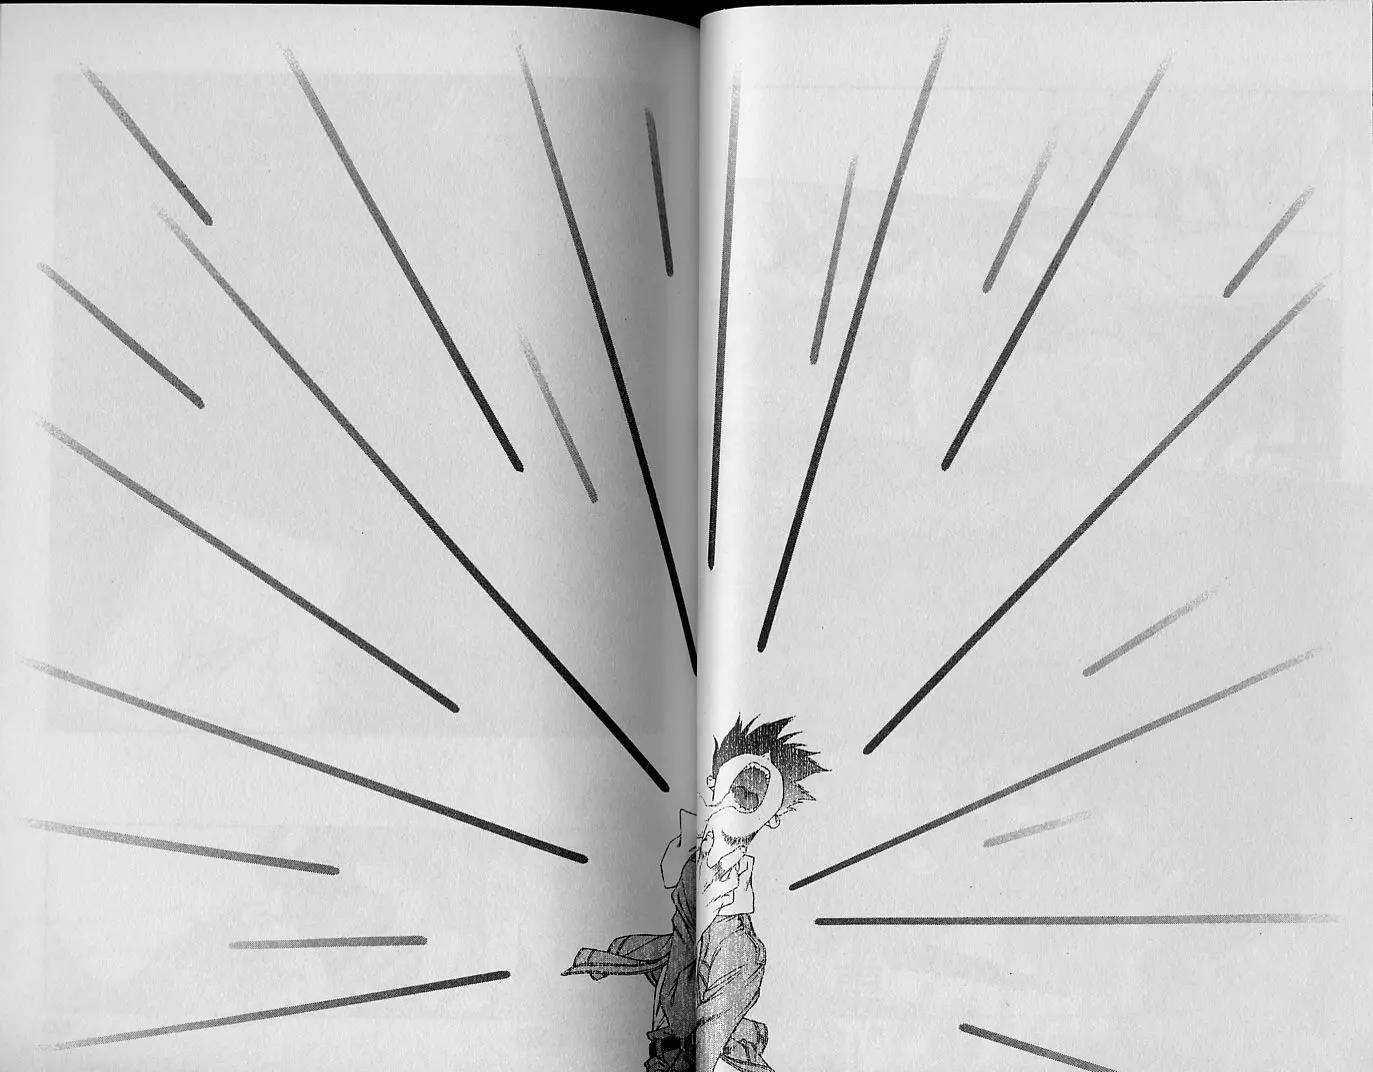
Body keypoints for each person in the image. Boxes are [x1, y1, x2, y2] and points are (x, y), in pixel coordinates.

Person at [564, 717, 825, 1072]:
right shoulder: (692, 902)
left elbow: (700, 1034)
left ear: (772, 815)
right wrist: (609, 959)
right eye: (735, 786)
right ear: (714, 783)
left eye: (750, 794)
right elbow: (668, 946)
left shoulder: (740, 952)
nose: (738, 796)